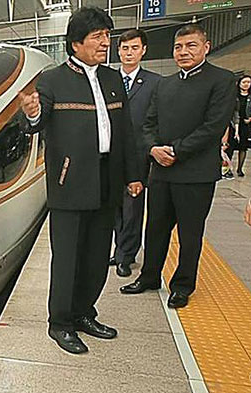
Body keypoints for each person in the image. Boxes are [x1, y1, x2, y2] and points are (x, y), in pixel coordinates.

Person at [19, 7, 142, 354]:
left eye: (107, 36)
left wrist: (133, 175)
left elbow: (126, 132)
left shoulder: (112, 79)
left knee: (97, 254)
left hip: (107, 177)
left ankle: (85, 312)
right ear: (75, 43)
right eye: (97, 37)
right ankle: (60, 323)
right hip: (70, 182)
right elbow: (35, 122)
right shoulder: (53, 80)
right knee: (67, 258)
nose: (105, 43)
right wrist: (32, 113)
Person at [120, 24, 236, 308]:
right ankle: (149, 277)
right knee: (155, 228)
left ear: (206, 47)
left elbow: (214, 126)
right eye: (178, 47)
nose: (183, 52)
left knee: (190, 234)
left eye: (191, 46)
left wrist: (176, 150)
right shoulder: (165, 84)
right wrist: (153, 149)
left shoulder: (222, 80)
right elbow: (149, 123)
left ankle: (183, 285)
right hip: (161, 171)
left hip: (196, 174)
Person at [110, 29, 161, 278]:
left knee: (132, 208)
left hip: (139, 156)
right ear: (118, 51)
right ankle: (119, 247)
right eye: (125, 48)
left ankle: (126, 256)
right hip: (110, 156)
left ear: (143, 51)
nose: (129, 53)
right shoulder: (108, 80)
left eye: (134, 48)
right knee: (114, 207)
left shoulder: (155, 82)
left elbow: (156, 120)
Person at [234, 74, 251, 177]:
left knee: (243, 147)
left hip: (246, 124)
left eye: (248, 82)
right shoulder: (234, 95)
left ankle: (240, 168)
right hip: (234, 122)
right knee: (230, 146)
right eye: (244, 82)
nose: (246, 84)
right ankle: (227, 168)